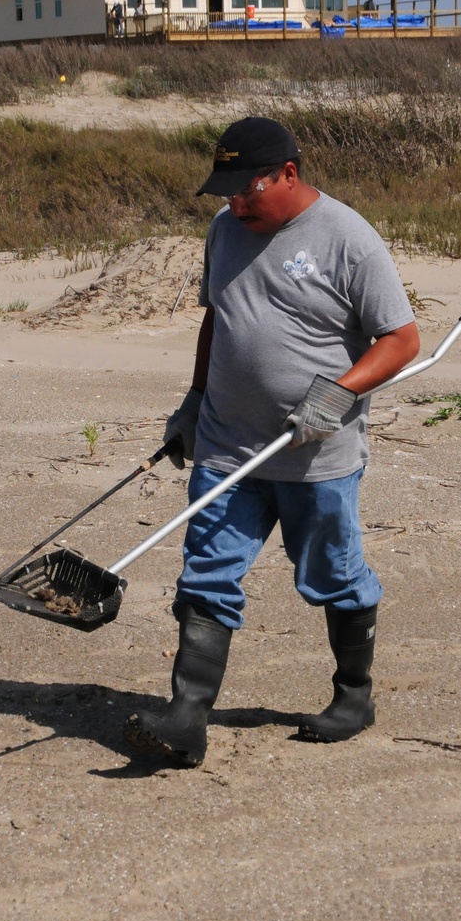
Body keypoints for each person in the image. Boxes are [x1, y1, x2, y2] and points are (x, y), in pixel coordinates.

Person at [124, 117, 420, 765]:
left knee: (331, 576)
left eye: (248, 189)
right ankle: (186, 717)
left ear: (289, 173)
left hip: (316, 456)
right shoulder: (224, 231)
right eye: (226, 192)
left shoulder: (349, 240)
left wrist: (337, 395)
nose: (235, 204)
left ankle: (354, 694)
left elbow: (401, 341)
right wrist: (192, 402)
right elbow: (218, 320)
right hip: (228, 445)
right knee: (206, 572)